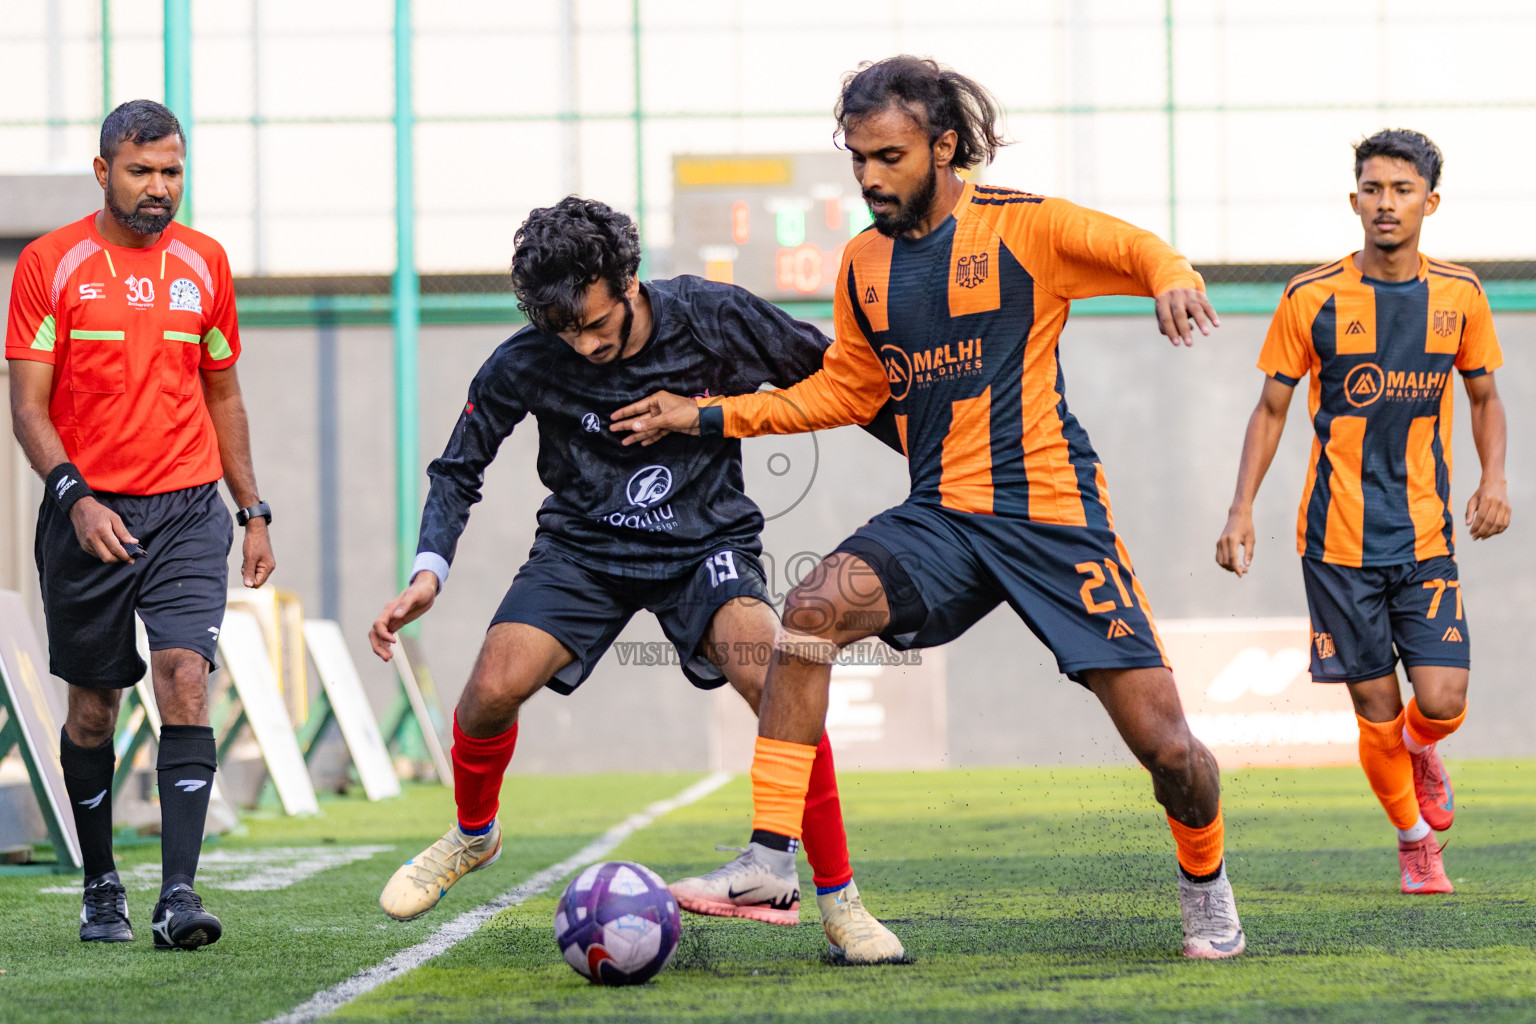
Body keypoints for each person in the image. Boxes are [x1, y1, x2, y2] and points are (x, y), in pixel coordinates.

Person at [611, 56, 1245, 960]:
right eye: (858, 158)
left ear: (944, 147)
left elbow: (1139, 249)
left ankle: (1206, 882)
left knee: (1169, 751)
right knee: (811, 609)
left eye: (889, 157)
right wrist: (709, 415)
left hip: (1051, 518)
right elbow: (844, 390)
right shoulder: (863, 263)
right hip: (941, 516)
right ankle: (769, 858)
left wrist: (1174, 277)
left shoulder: (1025, 225)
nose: (870, 177)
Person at [368, 195, 906, 963]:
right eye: (565, 330)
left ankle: (841, 903)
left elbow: (839, 380)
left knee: (780, 682)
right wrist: (430, 569)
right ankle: (473, 835)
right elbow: (459, 468)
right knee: (488, 691)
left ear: (629, 280)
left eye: (595, 323)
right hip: (582, 550)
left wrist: (932, 460)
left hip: (705, 545)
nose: (584, 344)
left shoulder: (714, 317)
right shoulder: (528, 358)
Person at [5, 100, 275, 949]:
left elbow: (222, 392)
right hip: (86, 513)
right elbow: (27, 408)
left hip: (189, 507)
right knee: (94, 710)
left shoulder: (205, 263)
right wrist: (75, 498)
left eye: (172, 172)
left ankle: (179, 896)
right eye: (141, 171)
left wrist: (252, 511)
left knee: (186, 677)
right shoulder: (50, 265)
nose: (159, 187)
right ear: (103, 172)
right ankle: (100, 885)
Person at [1215, 129, 1507, 894]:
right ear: (1354, 200)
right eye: (1373, 189)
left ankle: (1423, 748)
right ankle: (1415, 844)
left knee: (1441, 703)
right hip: (1337, 544)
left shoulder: (1461, 294)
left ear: (1429, 203)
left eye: (1402, 190)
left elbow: (1485, 396)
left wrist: (1494, 479)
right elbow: (1271, 408)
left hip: (1426, 535)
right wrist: (1241, 509)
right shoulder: (1310, 296)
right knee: (1376, 714)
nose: (1386, 203)